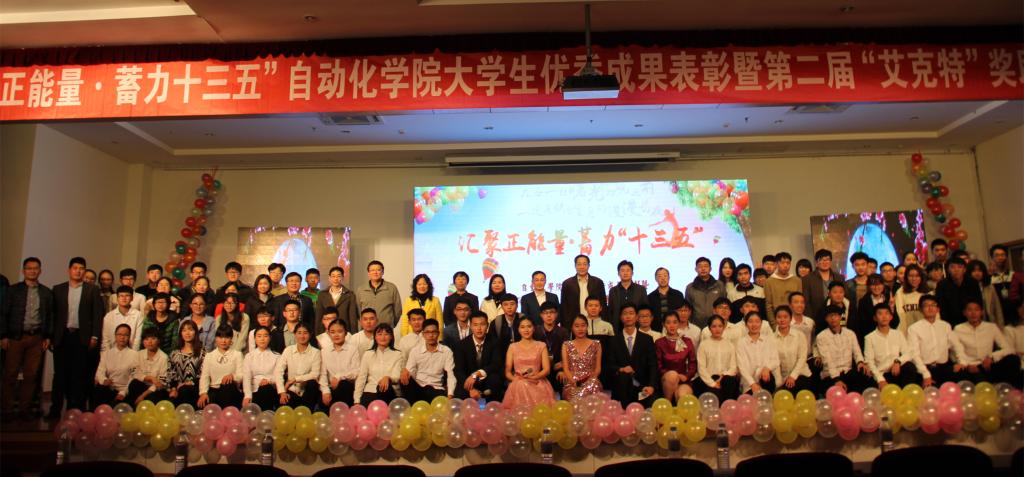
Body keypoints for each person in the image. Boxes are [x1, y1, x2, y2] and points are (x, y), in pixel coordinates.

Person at [50, 257, 104, 416]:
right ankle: (55, 409)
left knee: (79, 374)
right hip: (62, 336)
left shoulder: (92, 289)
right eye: (75, 268)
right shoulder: (58, 289)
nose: (78, 271)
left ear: (84, 271)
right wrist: (51, 336)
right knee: (59, 375)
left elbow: (97, 315)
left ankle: (76, 408)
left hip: (82, 337)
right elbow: (53, 315)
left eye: (81, 268)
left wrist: (95, 336)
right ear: (69, 270)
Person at [1, 257, 53, 421]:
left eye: (35, 268)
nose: (32, 271)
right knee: (10, 374)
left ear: (40, 271)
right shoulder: (13, 290)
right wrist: (3, 335)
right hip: (15, 337)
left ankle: (25, 410)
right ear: (23, 271)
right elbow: (3, 313)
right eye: (29, 268)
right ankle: (7, 410)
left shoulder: (46, 292)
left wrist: (48, 336)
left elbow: (50, 316)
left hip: (36, 338)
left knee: (31, 375)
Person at [953, 299, 1021, 386]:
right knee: (960, 373)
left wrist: (992, 357)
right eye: (969, 310)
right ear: (964, 313)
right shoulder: (958, 329)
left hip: (988, 365)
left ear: (981, 312)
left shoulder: (991, 327)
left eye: (976, 310)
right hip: (969, 366)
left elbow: (1009, 349)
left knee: (1013, 359)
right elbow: (956, 350)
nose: (973, 313)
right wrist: (965, 364)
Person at [908, 294, 968, 387]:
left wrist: (962, 362)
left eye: (933, 305)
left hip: (944, 367)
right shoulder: (914, 328)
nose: (930, 308)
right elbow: (914, 354)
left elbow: (957, 345)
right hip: (925, 368)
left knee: (962, 376)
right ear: (920, 309)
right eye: (926, 305)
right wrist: (925, 374)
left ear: (938, 309)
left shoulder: (945, 326)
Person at [605, 303, 658, 406]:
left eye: (631, 313)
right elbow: (609, 365)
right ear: (621, 317)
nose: (628, 316)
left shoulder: (647, 339)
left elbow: (653, 365)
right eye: (625, 313)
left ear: (637, 317)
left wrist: (651, 386)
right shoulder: (613, 341)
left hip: (643, 388)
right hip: (622, 387)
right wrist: (621, 369)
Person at [816, 305, 873, 393]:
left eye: (835, 315)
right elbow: (827, 361)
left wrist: (860, 362)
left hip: (848, 371)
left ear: (840, 316)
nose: (833, 318)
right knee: (837, 390)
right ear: (826, 319)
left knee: (866, 376)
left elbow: (857, 352)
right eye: (829, 316)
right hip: (830, 375)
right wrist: (837, 380)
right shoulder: (821, 336)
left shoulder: (850, 333)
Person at [502, 317, 556, 409]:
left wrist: (534, 377)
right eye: (522, 327)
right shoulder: (512, 347)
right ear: (518, 329)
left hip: (537, 381)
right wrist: (516, 380)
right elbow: (507, 371)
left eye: (529, 326)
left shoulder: (541, 345)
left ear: (534, 328)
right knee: (521, 386)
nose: (526, 330)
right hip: (519, 383)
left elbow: (547, 370)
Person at [864, 304, 920, 387]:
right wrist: (880, 380)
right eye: (880, 313)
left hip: (897, 371)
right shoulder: (869, 338)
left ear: (891, 317)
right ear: (875, 318)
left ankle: (906, 393)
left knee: (909, 367)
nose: (884, 316)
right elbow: (869, 362)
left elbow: (908, 353)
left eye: (886, 313)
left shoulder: (898, 334)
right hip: (881, 374)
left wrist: (898, 361)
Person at [401, 319, 456, 402]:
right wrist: (405, 372)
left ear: (438, 333)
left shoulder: (446, 351)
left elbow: (451, 374)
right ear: (423, 334)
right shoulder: (415, 351)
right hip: (419, 388)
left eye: (434, 332)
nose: (431, 335)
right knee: (404, 379)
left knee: (431, 391)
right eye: (427, 332)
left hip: (437, 388)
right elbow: (409, 370)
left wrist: (450, 395)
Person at [453, 311, 504, 400]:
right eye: (475, 325)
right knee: (460, 392)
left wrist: (476, 374)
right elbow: (458, 370)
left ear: (487, 326)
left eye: (482, 324)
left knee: (495, 380)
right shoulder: (461, 345)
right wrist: (471, 389)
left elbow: (496, 365)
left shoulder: (495, 342)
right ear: (470, 326)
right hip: (469, 381)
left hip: (487, 379)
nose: (479, 328)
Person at [275, 322, 321, 410]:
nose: (302, 336)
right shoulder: (288, 350)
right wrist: (282, 392)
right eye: (299, 333)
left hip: (307, 392)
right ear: (295, 334)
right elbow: (278, 371)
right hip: (291, 390)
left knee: (312, 383)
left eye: (305, 333)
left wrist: (295, 379)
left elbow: (315, 374)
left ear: (310, 335)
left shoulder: (316, 353)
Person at [353, 323, 402, 405]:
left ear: (391, 337)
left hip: (390, 391)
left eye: (386, 334)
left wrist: (388, 378)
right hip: (371, 390)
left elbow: (397, 375)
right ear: (375, 337)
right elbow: (361, 378)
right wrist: (357, 400)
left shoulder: (398, 354)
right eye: (379, 334)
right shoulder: (368, 354)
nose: (383, 337)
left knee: (384, 389)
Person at [197, 324, 244, 409]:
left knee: (228, 387)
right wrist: (203, 393)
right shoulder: (209, 356)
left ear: (231, 339)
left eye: (227, 337)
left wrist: (232, 376)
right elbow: (204, 376)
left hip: (230, 389)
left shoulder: (237, 355)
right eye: (220, 337)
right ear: (216, 338)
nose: (223, 341)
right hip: (214, 389)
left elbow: (241, 375)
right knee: (206, 401)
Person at [695, 315, 739, 402]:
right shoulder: (704, 345)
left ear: (723, 327)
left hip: (725, 379)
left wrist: (723, 376)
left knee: (730, 382)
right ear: (709, 328)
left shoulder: (730, 345)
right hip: (709, 379)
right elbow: (701, 368)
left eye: (720, 326)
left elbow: (733, 367)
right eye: (714, 326)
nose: (717, 329)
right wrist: (713, 383)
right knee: (717, 396)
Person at [559, 315, 603, 402]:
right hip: (572, 381)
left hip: (591, 380)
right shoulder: (566, 345)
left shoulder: (596, 344)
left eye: (583, 325)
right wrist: (573, 381)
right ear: (572, 328)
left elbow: (598, 369)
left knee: (593, 387)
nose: (580, 329)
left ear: (587, 327)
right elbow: (566, 369)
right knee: (573, 394)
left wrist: (590, 381)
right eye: (577, 326)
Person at [655, 311, 697, 403]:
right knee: (672, 375)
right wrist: (674, 376)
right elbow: (658, 366)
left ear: (679, 324)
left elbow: (693, 363)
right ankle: (667, 404)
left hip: (683, 379)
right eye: (668, 322)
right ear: (663, 324)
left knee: (682, 395)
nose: (672, 326)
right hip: (666, 379)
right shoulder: (659, 342)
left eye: (674, 322)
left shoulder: (687, 341)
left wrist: (686, 376)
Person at [92, 324, 136, 408]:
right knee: (99, 389)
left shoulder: (134, 355)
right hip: (109, 388)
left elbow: (133, 377)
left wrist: (123, 392)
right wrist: (104, 380)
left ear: (129, 337)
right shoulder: (106, 354)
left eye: (126, 335)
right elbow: (99, 372)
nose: (122, 337)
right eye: (120, 334)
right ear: (115, 336)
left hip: (125, 391)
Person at [736, 311, 780, 394]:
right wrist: (752, 384)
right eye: (750, 322)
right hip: (749, 383)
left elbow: (776, 360)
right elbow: (742, 367)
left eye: (757, 321)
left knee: (767, 384)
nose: (754, 324)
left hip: (766, 379)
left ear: (761, 323)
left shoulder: (769, 340)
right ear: (746, 324)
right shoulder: (741, 343)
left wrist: (767, 368)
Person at [319, 319, 360, 407]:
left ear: (346, 333)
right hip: (331, 388)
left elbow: (356, 371)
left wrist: (339, 376)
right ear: (328, 334)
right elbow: (322, 374)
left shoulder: (353, 349)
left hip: (347, 389)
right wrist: (326, 391)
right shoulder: (324, 351)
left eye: (340, 331)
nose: (336, 335)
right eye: (332, 332)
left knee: (344, 384)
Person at [773, 305, 813, 393]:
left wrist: (793, 376)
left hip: (801, 374)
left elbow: (802, 358)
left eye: (785, 317)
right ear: (775, 319)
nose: (782, 320)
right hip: (784, 378)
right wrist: (779, 383)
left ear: (790, 318)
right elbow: (774, 362)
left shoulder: (799, 335)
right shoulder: (772, 338)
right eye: (779, 317)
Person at [560, 254, 607, 329]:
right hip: (575, 324)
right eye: (579, 264)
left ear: (589, 266)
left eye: (585, 264)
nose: (582, 267)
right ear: (575, 266)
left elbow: (603, 304)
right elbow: (564, 307)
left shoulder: (598, 282)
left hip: (595, 323)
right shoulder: (567, 284)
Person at [125, 327, 169, 406]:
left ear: (158, 340)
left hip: (154, 390)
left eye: (153, 338)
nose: (150, 342)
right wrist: (149, 378)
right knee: (134, 384)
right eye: (146, 339)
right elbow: (134, 373)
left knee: (158, 394)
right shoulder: (139, 354)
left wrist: (143, 395)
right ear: (143, 341)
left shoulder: (164, 357)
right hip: (141, 386)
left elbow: (161, 383)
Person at [241, 325, 281, 412]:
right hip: (254, 390)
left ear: (270, 338)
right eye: (259, 336)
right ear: (255, 339)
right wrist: (247, 395)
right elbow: (246, 377)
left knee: (266, 389)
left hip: (270, 389)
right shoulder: (249, 356)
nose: (262, 339)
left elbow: (278, 376)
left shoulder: (277, 356)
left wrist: (269, 380)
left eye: (265, 336)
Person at [936, 257, 982, 328]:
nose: (956, 270)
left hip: (971, 320)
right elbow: (941, 307)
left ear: (964, 269)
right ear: (948, 269)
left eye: (959, 267)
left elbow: (978, 302)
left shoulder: (972, 283)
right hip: (950, 322)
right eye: (952, 267)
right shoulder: (942, 285)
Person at [168, 319, 204, 407]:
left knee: (185, 391)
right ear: (181, 333)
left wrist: (187, 383)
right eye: (184, 330)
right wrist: (174, 388)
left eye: (190, 330)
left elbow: (203, 375)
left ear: (195, 332)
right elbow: (171, 374)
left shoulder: (202, 353)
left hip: (195, 388)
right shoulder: (174, 353)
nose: (187, 333)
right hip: (177, 388)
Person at [355, 261, 403, 327]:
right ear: (368, 273)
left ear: (383, 272)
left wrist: (391, 324)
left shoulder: (391, 288)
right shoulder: (361, 289)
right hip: (367, 329)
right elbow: (358, 311)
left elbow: (398, 311)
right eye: (372, 270)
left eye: (378, 270)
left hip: (386, 329)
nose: (375, 272)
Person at [685, 257, 726, 329]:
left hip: (716, 326)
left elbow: (724, 305)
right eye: (700, 266)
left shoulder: (719, 285)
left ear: (710, 269)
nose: (703, 269)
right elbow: (688, 309)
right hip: (697, 326)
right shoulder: (690, 287)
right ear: (696, 269)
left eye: (706, 266)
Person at [315, 266, 359, 335]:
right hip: (326, 332)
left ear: (342, 277)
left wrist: (354, 335)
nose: (336, 279)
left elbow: (353, 317)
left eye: (338, 276)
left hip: (344, 331)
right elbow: (319, 316)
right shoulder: (322, 295)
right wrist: (318, 334)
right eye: (333, 276)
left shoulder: (350, 295)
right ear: (329, 278)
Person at [608, 260, 649, 331]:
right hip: (618, 328)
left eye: (628, 270)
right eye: (622, 271)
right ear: (618, 273)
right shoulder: (613, 291)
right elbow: (611, 311)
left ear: (632, 273)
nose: (625, 273)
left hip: (637, 328)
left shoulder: (641, 290)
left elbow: (644, 310)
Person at [765, 252, 802, 327]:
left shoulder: (797, 280)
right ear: (776, 264)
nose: (785, 265)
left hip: (795, 321)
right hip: (778, 321)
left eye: (788, 263)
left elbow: (800, 303)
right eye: (782, 263)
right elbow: (769, 305)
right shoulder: (769, 281)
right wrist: (773, 324)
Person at [101, 286, 143, 352]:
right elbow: (105, 339)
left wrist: (133, 355)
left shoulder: (138, 315)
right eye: (121, 296)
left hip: (132, 353)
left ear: (132, 298)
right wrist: (108, 354)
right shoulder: (109, 316)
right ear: (117, 298)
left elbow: (138, 339)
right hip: (112, 353)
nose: (124, 298)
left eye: (127, 296)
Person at [852, 274, 890, 344]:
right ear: (869, 286)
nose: (876, 287)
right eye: (873, 285)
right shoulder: (863, 302)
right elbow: (861, 325)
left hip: (888, 337)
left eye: (879, 284)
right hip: (871, 338)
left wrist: (892, 309)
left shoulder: (888, 299)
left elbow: (896, 321)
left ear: (883, 285)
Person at [967, 261, 1006, 329]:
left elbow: (997, 308)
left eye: (979, 270)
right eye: (974, 271)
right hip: (973, 325)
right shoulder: (966, 287)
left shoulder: (990, 287)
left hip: (990, 322)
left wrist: (1000, 326)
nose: (977, 273)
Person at [989, 244, 1020, 324]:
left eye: (1003, 255)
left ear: (1006, 257)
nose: (1000, 258)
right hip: (998, 319)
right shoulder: (989, 279)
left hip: (1017, 318)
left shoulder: (1015, 276)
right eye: (997, 255)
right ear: (992, 258)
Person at [647, 267, 685, 332]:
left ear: (669, 277)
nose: (663, 278)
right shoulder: (650, 297)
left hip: (676, 330)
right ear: (656, 279)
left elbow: (682, 313)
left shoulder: (678, 295)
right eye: (659, 276)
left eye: (665, 275)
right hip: (656, 330)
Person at [895, 265, 929, 335]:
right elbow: (900, 315)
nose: (914, 279)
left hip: (925, 331)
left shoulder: (927, 293)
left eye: (917, 276)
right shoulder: (900, 292)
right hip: (907, 331)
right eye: (911, 276)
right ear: (906, 277)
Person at [843, 252, 871, 321]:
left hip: (871, 318)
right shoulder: (847, 284)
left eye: (863, 264)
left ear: (867, 265)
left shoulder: (873, 283)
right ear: (853, 266)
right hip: (854, 319)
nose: (860, 267)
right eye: (857, 265)